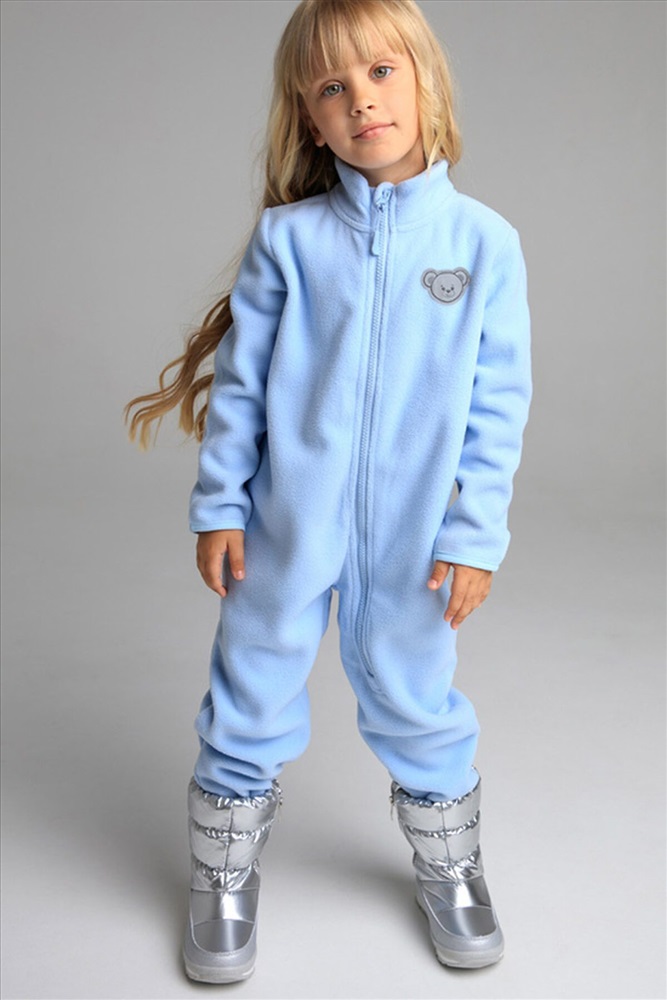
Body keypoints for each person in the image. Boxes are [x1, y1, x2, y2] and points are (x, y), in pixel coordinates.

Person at [125, 0, 532, 984]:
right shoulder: (289, 242)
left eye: (382, 73)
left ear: (426, 81)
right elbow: (242, 389)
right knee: (250, 685)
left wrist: (474, 536)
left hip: (414, 538)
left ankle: (450, 863)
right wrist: (221, 506)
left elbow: (498, 407)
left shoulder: (483, 243)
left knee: (416, 695)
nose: (362, 101)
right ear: (309, 120)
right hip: (285, 523)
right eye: (332, 87)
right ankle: (222, 872)